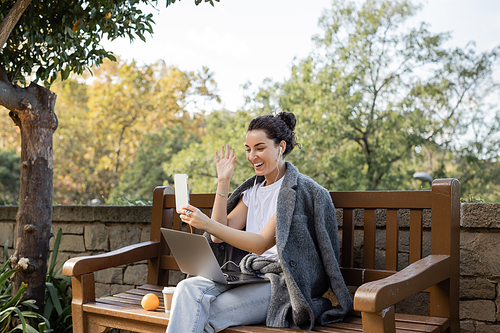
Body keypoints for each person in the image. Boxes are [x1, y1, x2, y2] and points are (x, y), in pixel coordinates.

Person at [166, 112, 352, 333]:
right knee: (186, 288)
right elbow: (218, 234)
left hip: (280, 284)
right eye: (248, 149)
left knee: (201, 314)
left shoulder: (296, 193)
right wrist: (223, 181)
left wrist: (206, 223)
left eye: (260, 148)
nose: (252, 155)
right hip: (248, 275)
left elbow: (260, 243)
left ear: (280, 147)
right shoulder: (252, 191)